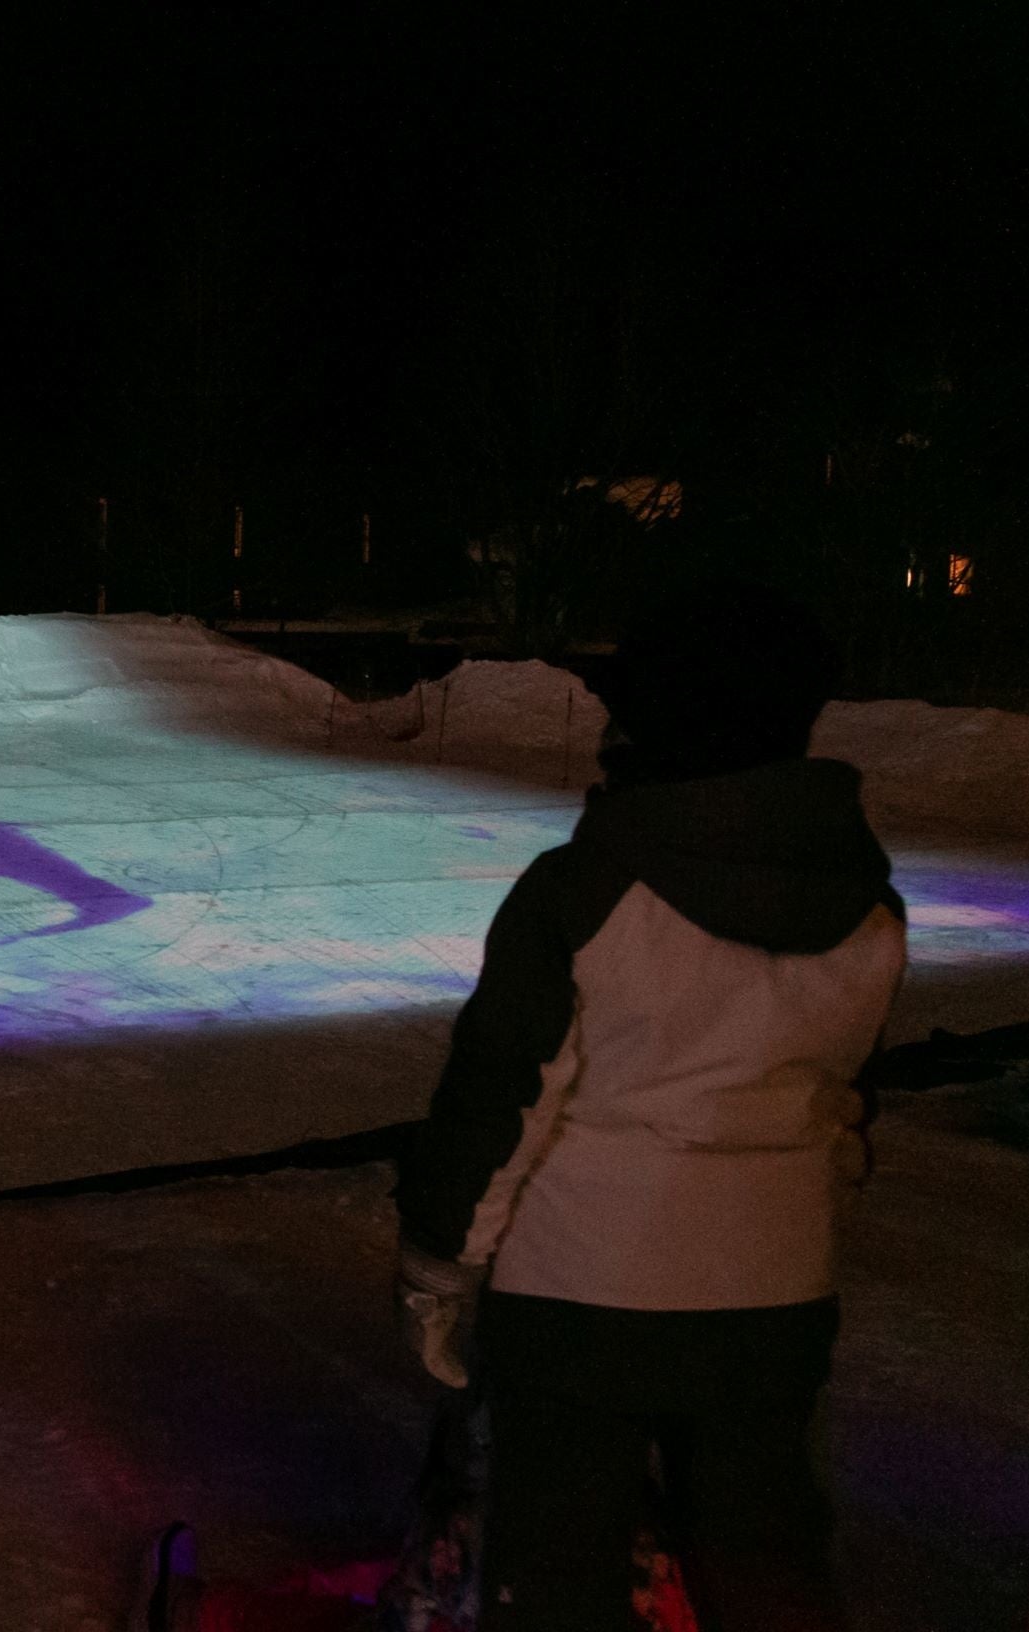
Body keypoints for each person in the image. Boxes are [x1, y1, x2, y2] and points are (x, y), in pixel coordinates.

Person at [393, 578, 905, 1630]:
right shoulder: (868, 904)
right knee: (763, 1556)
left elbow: (500, 1101)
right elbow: (843, 1111)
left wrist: (438, 1269)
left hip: (583, 1306)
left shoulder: (581, 890)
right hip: (774, 1296)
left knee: (558, 1571)